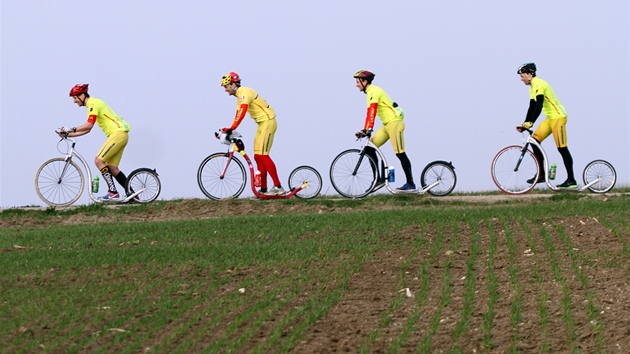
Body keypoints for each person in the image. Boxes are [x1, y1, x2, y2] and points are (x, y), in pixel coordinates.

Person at [59, 84, 132, 200]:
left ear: (82, 95)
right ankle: (132, 194)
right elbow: (88, 129)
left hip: (117, 134)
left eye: (75, 97)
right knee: (112, 168)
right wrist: (69, 134)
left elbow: (88, 125)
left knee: (99, 161)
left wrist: (71, 129)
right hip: (121, 135)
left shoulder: (93, 103)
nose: (74, 101)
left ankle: (113, 192)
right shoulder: (91, 106)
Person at [220, 72, 284, 195]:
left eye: (226, 86)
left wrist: (231, 128)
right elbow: (237, 115)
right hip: (262, 124)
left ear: (233, 85)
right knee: (257, 156)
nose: (225, 90)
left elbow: (242, 113)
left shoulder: (244, 93)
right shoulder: (239, 97)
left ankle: (278, 186)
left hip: (268, 122)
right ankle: (264, 189)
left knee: (264, 155)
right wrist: (229, 128)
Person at [515, 63, 576, 188]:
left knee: (562, 148)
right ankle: (541, 175)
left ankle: (571, 180)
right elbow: (532, 106)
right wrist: (525, 123)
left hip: (558, 117)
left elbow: (539, 105)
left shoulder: (539, 84)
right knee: (533, 141)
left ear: (530, 74)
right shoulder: (532, 87)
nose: (521, 79)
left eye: (522, 76)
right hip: (550, 118)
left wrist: (530, 123)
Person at [353, 70, 416, 191]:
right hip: (387, 125)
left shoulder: (373, 91)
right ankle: (379, 179)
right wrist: (365, 130)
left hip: (395, 122)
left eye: (357, 82)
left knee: (400, 153)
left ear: (365, 81)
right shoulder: (369, 92)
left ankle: (410, 183)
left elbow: (372, 111)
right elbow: (369, 113)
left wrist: (368, 129)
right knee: (369, 149)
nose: (356, 85)